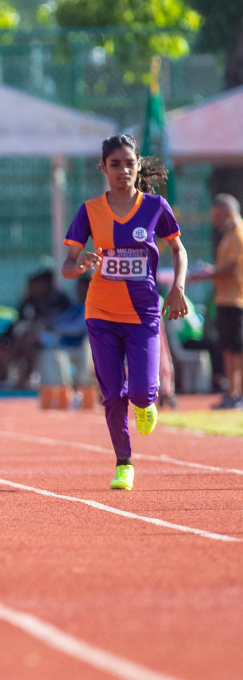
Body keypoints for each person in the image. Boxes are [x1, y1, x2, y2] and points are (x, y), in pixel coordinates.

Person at [61, 134, 189, 491]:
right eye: (115, 164)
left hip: (144, 314)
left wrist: (178, 287)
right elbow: (67, 267)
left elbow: (178, 250)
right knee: (113, 394)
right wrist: (80, 263)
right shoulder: (89, 211)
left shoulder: (155, 206)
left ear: (137, 165)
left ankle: (147, 401)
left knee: (142, 393)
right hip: (100, 312)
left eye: (129, 164)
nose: (123, 171)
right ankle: (124, 462)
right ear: (103, 168)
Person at [192, 194, 243, 408]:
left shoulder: (239, 235)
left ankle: (238, 393)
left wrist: (207, 274)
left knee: (237, 349)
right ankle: (232, 392)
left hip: (237, 300)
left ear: (230, 213)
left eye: (219, 216)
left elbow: (232, 269)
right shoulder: (228, 236)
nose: (216, 221)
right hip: (224, 300)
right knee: (228, 349)